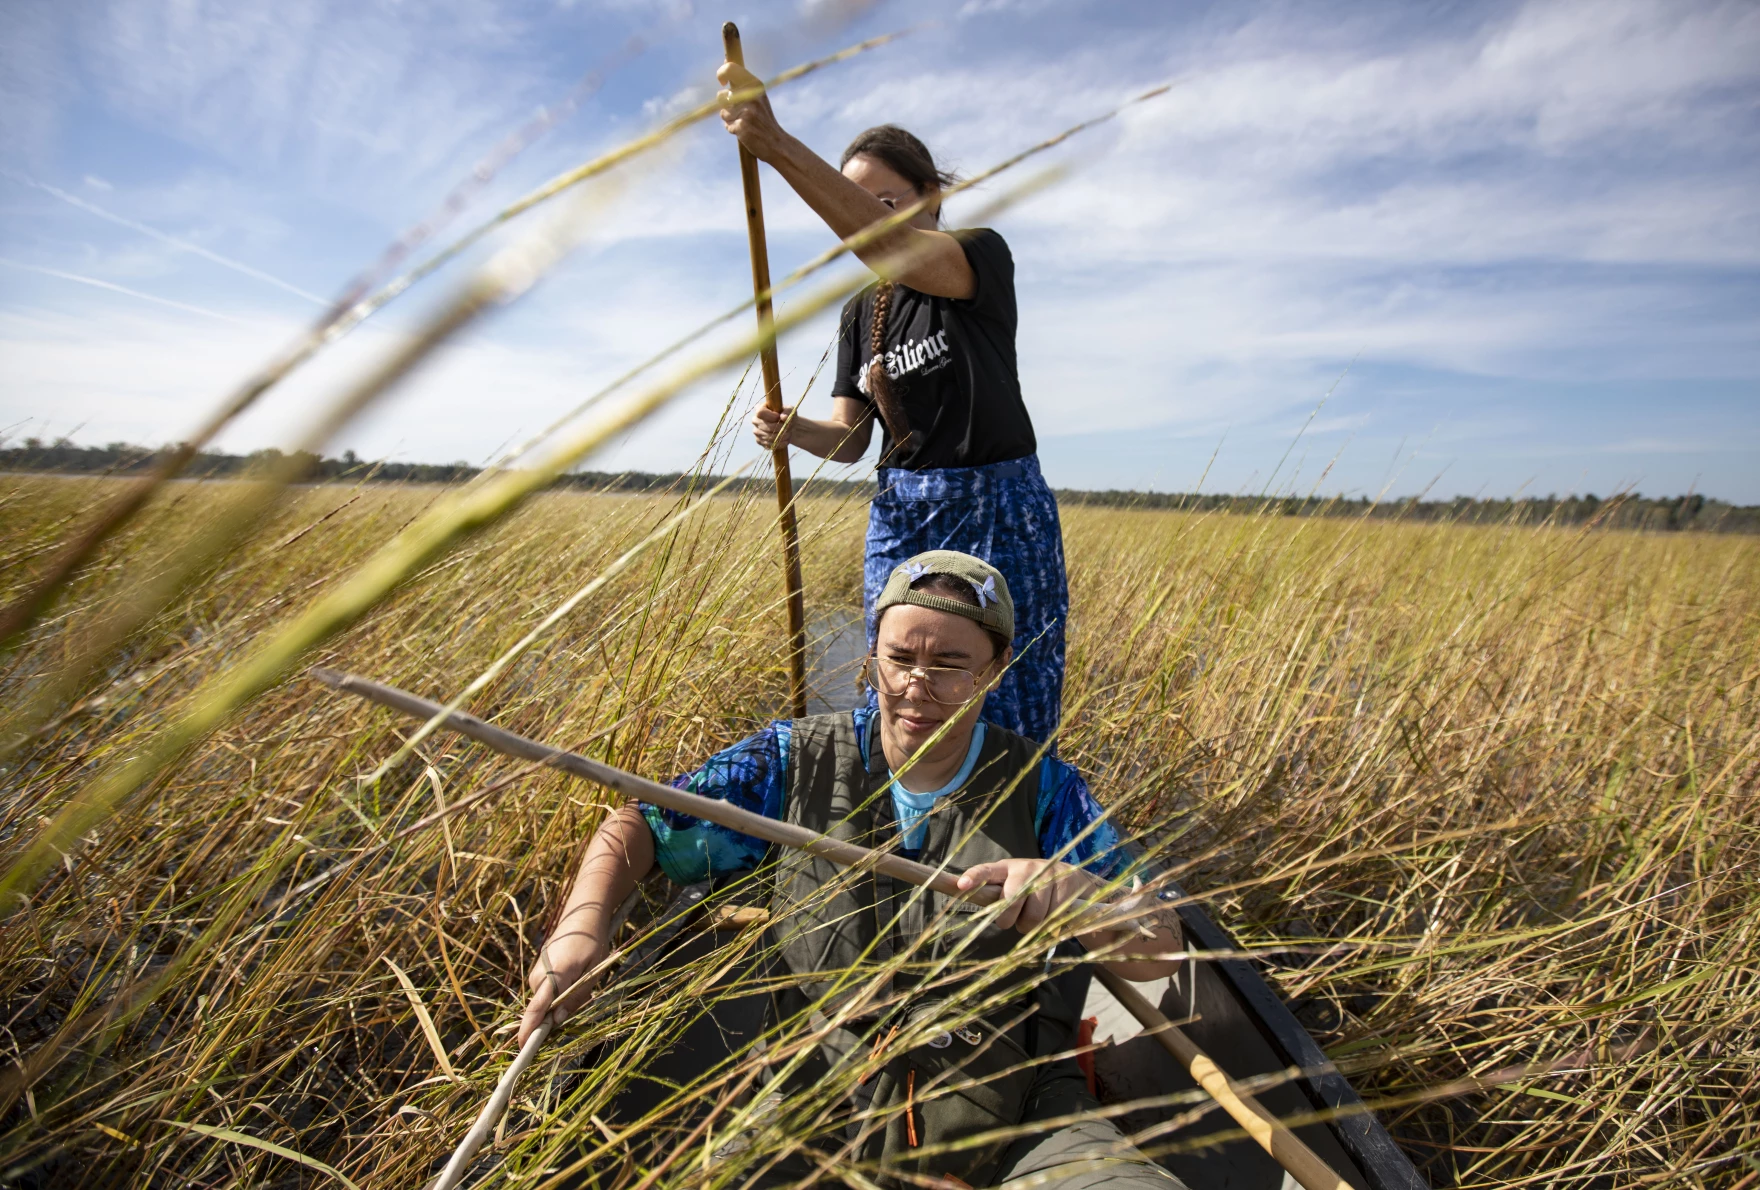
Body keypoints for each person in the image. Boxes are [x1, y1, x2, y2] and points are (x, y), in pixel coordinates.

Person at [519, 551, 1186, 1189]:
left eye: (950, 665)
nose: (915, 686)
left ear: (996, 668)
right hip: (818, 1115)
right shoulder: (792, 760)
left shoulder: (1046, 791)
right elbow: (641, 824)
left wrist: (1072, 892)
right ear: (874, 656)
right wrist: (580, 930)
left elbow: (1161, 948)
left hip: (1015, 1123)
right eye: (899, 659)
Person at [718, 60, 1069, 744]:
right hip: (901, 508)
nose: (864, 219)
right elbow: (851, 442)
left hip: (995, 502)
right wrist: (794, 430)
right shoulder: (863, 313)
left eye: (885, 202)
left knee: (1008, 688)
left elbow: (900, 253)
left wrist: (778, 145)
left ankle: (1010, 823)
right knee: (900, 684)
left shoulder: (974, 256)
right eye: (855, 203)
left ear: (930, 195)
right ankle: (901, 824)